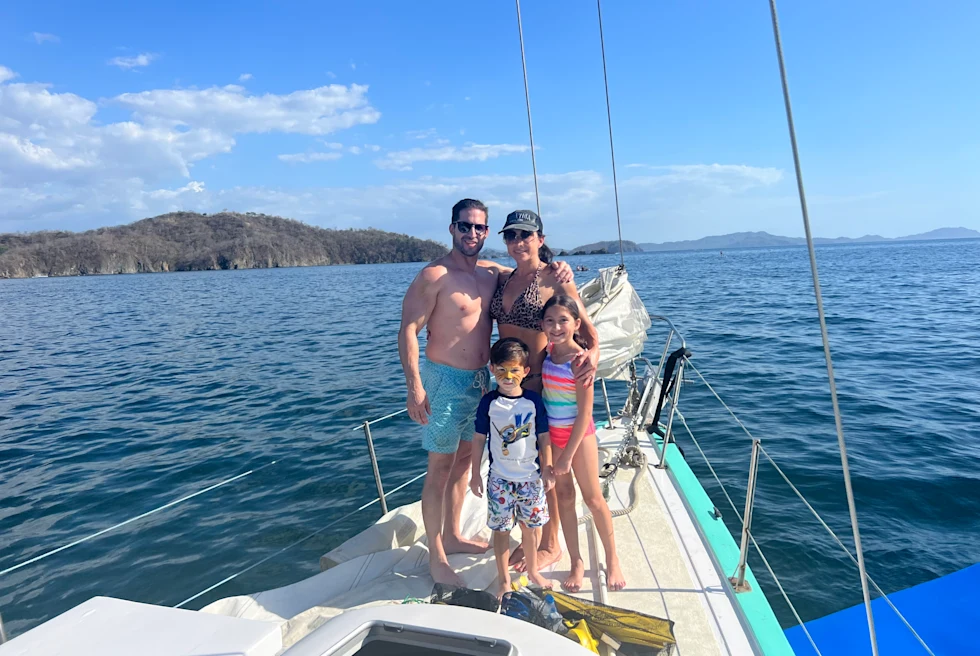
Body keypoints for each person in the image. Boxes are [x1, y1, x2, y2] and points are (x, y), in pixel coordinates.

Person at [398, 199, 580, 587]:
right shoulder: (434, 275)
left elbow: (531, 272)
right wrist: (414, 387)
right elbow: (408, 331)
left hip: (482, 381)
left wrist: (559, 266)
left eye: (480, 227)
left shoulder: (491, 274)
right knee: (439, 469)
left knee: (465, 462)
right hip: (445, 381)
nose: (472, 233)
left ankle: (453, 534)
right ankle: (437, 556)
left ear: (486, 232)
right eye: (464, 226)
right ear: (452, 228)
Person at [489, 209, 600, 573]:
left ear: (540, 239)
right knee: (519, 465)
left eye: (525, 235)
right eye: (511, 235)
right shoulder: (503, 278)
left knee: (543, 469)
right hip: (509, 387)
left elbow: (588, 331)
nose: (518, 242)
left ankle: (551, 544)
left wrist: (593, 357)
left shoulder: (555, 278)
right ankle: (531, 538)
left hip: (540, 387)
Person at [541, 294, 626, 592]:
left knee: (592, 498)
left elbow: (585, 414)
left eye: (563, 320)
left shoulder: (580, 362)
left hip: (579, 437)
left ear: (577, 324)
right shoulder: (548, 353)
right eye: (549, 321)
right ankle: (576, 561)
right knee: (564, 496)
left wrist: (566, 456)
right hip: (553, 435)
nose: (556, 327)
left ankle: (612, 558)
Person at [470, 338, 555, 598]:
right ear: (492, 369)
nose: (508, 377)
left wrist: (548, 466)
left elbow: (544, 437)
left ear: (525, 371)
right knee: (502, 531)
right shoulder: (489, 403)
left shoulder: (533, 402)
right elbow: (479, 438)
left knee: (530, 530)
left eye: (514, 370)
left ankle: (533, 571)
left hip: (531, 479)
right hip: (500, 480)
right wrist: (474, 474)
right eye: (502, 370)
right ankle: (504, 580)